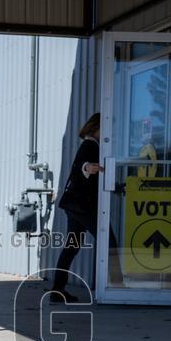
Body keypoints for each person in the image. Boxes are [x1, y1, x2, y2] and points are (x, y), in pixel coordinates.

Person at [49, 113, 116, 302]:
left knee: (71, 247)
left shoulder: (94, 145)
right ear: (95, 128)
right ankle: (115, 288)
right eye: (106, 127)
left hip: (75, 205)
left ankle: (57, 290)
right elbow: (81, 165)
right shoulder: (90, 145)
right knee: (109, 243)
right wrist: (87, 168)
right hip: (84, 206)